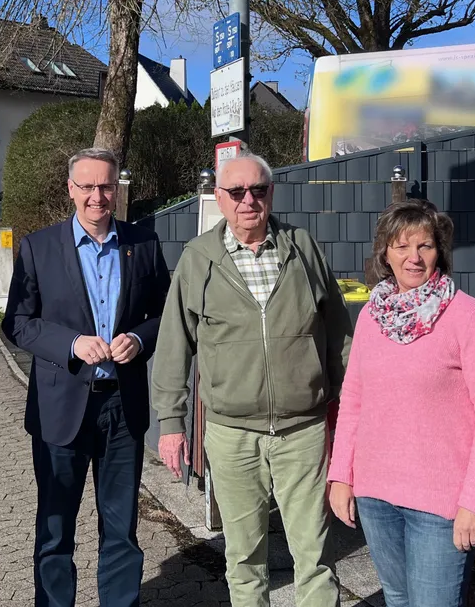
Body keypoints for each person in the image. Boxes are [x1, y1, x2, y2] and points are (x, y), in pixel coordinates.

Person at [152, 151, 351, 607]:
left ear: (271, 194)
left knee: (316, 555)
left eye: (257, 191)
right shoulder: (198, 259)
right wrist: (170, 423)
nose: (248, 201)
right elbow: (173, 345)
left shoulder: (302, 247)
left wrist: (346, 407)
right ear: (219, 198)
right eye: (236, 192)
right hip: (231, 433)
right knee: (243, 559)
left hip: (304, 430)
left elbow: (339, 332)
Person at [2, 148, 172, 607]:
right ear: (71, 190)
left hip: (122, 405)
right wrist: (71, 345)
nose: (98, 196)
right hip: (61, 411)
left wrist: (138, 340)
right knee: (55, 529)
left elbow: (167, 314)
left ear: (117, 189)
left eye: (106, 186)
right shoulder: (39, 247)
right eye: (88, 187)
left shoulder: (145, 243)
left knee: (121, 529)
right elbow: (17, 322)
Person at [327, 199, 475, 607]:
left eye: (425, 246)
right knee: (397, 598)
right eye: (402, 247)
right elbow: (354, 400)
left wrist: (474, 502)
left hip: (441, 506)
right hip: (377, 497)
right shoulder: (373, 318)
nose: (414, 257)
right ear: (385, 255)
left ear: (439, 253)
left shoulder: (467, 316)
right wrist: (341, 475)